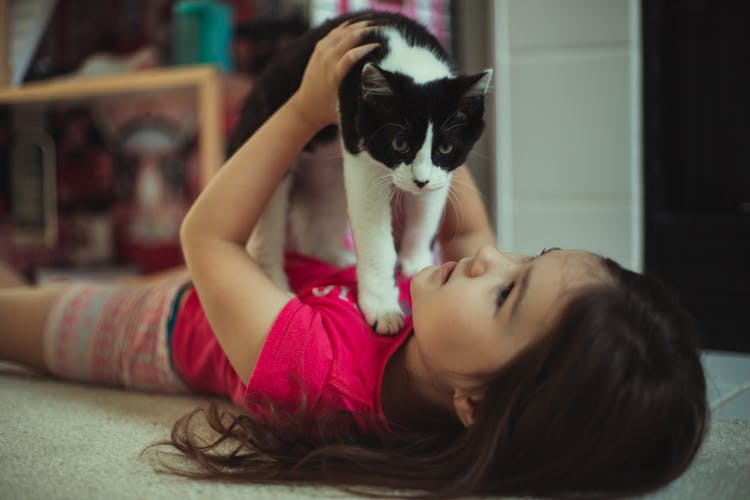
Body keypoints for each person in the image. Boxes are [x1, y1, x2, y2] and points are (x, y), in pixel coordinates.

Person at [0, 22, 706, 498]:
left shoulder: (323, 380)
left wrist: (309, 110)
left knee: (12, 315)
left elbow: (208, 239)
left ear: (474, 404)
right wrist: (436, 124)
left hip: (155, 329)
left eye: (507, 296)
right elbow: (467, 232)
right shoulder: (447, 332)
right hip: (244, 290)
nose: (492, 260)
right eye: (529, 260)